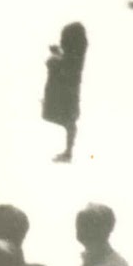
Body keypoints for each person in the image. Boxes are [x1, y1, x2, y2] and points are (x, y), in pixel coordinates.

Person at [41, 22, 87, 162]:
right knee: (68, 121)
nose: (61, 42)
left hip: (66, 94)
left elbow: (65, 68)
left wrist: (53, 59)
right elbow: (66, 63)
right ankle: (68, 152)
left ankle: (68, 152)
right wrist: (57, 54)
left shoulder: (73, 58)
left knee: (67, 120)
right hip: (68, 93)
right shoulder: (75, 55)